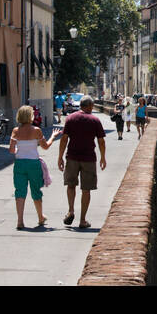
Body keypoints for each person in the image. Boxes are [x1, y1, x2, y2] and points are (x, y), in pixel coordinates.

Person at [58, 96, 107, 229]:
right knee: (86, 189)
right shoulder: (95, 120)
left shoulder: (70, 118)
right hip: (89, 158)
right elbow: (101, 141)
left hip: (72, 157)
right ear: (90, 106)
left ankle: (71, 210)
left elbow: (64, 139)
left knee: (70, 185)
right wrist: (103, 157)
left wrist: (60, 157)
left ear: (80, 105)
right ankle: (82, 220)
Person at [9, 105, 52, 230]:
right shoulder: (36, 130)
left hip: (19, 163)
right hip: (33, 164)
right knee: (36, 191)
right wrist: (53, 137)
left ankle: (20, 221)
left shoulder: (15, 131)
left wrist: (18, 149)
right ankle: (40, 217)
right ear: (30, 116)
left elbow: (12, 150)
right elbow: (45, 146)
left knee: (20, 191)